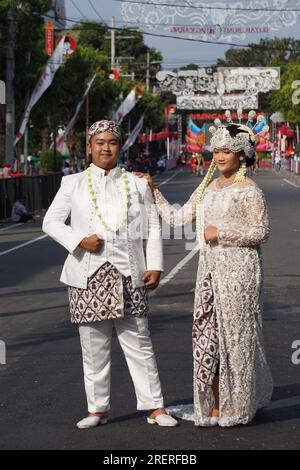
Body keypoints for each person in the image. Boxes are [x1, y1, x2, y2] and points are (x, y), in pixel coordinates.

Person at [135, 113, 273, 427]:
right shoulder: (207, 188)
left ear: (242, 154)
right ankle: (214, 403)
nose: (221, 156)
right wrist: (154, 189)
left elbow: (261, 232)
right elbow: (177, 218)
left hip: (241, 274)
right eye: (217, 150)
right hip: (209, 274)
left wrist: (220, 233)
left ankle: (237, 405)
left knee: (236, 341)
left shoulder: (250, 190)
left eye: (227, 150)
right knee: (206, 340)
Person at [42, 120, 178, 429]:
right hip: (86, 275)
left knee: (140, 343)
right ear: (89, 147)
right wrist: (79, 240)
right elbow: (50, 222)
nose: (106, 147)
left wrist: (155, 264)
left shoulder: (137, 183)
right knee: (93, 347)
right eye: (100, 142)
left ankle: (155, 407)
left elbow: (153, 225)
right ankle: (97, 410)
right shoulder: (72, 183)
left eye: (112, 142)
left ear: (120, 146)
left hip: (130, 273)